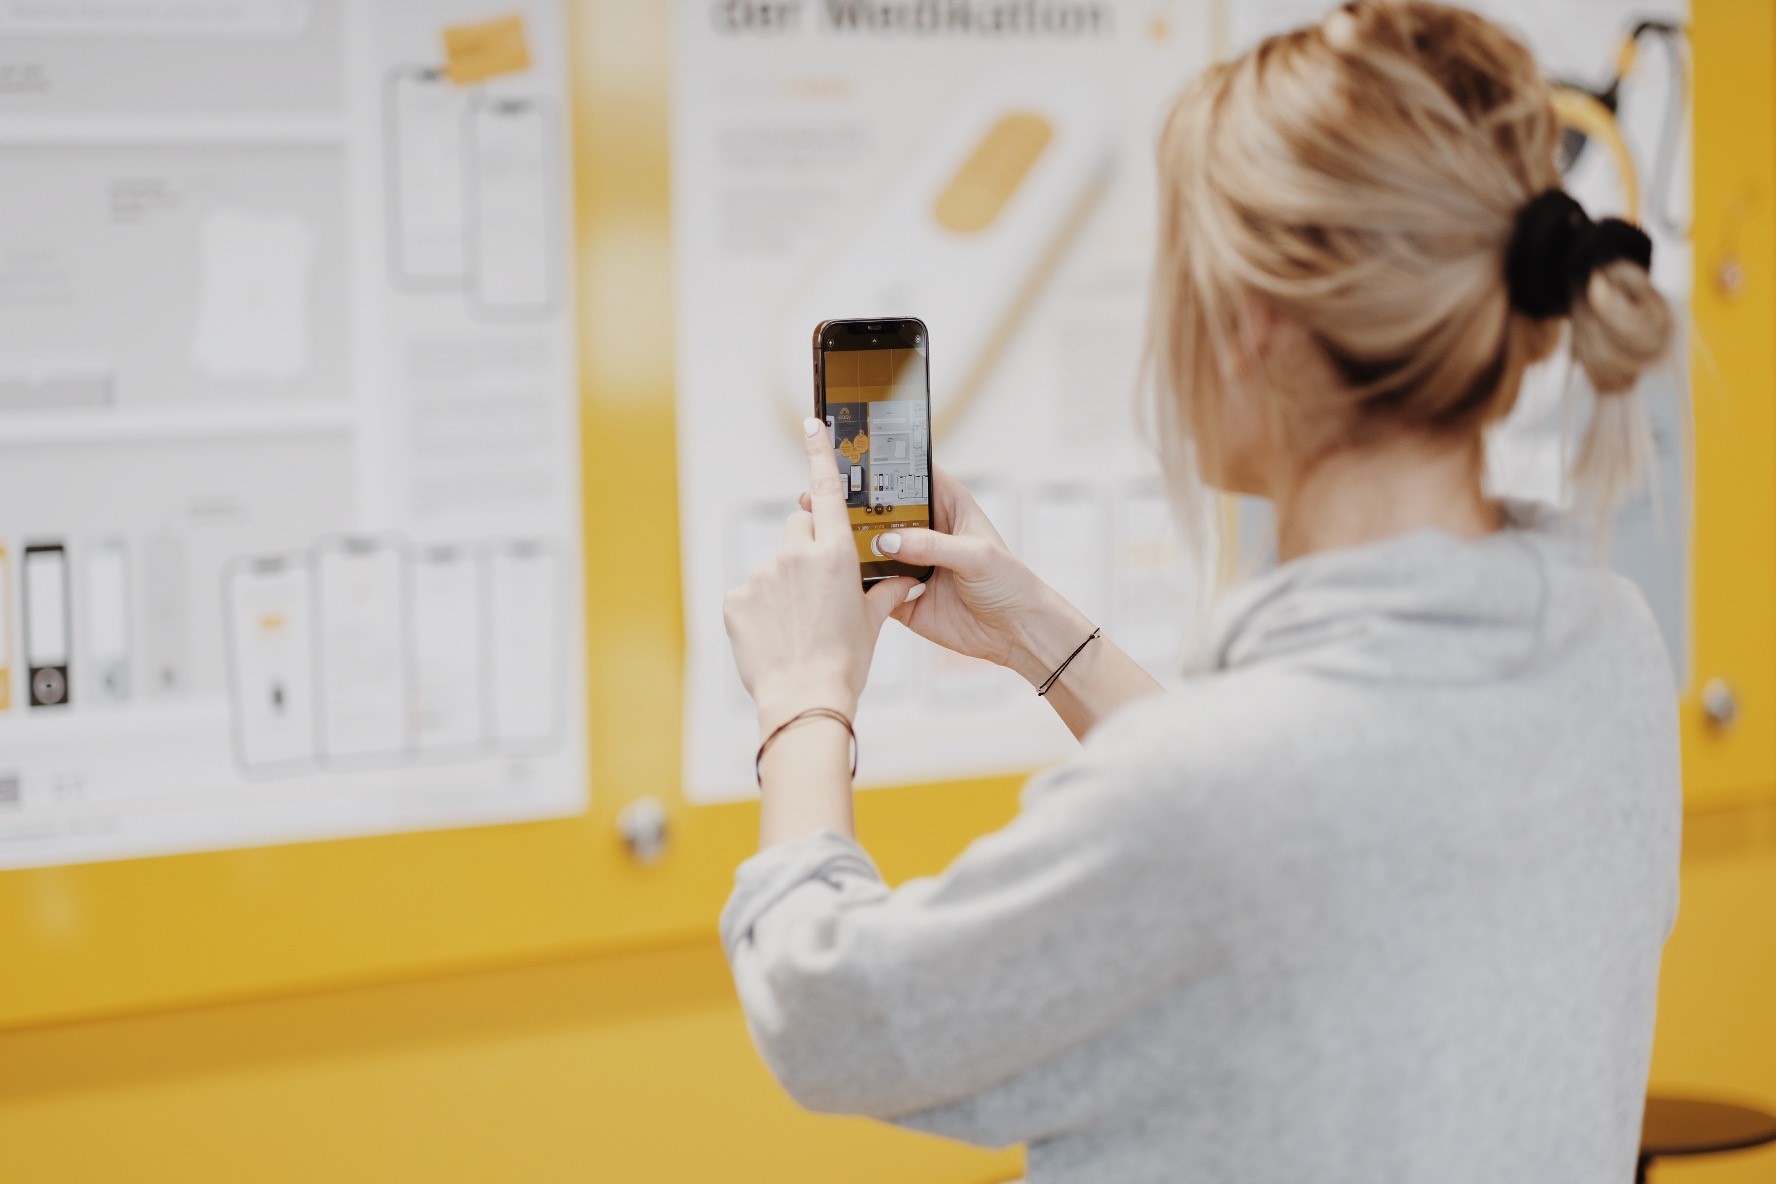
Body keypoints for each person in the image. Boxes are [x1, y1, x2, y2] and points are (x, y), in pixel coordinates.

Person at [717, 2, 1681, 1180]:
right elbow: (1313, 846)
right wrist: (1042, 636)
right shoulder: (1608, 650)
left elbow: (831, 1015)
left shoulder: (1220, 790)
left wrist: (804, 696)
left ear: (1250, 326)